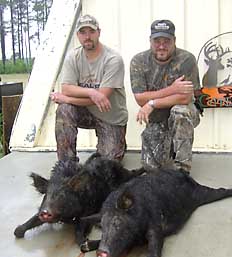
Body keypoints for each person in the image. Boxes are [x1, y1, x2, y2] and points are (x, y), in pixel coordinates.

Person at [50, 14, 128, 162]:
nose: (87, 37)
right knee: (64, 109)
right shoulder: (73, 57)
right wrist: (91, 92)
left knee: (107, 164)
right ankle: (67, 164)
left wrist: (66, 98)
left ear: (99, 32)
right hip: (84, 112)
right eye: (83, 32)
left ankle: (118, 142)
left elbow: (100, 98)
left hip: (109, 115)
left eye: (91, 32)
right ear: (77, 35)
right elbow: (66, 87)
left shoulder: (113, 59)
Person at [130, 19, 201, 172]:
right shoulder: (138, 61)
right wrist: (172, 89)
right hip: (157, 117)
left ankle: (182, 170)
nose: (161, 46)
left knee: (179, 112)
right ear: (150, 41)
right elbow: (140, 98)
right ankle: (169, 149)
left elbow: (185, 98)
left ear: (174, 41)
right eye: (157, 41)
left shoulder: (187, 59)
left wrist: (152, 103)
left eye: (166, 41)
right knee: (151, 168)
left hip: (183, 111)